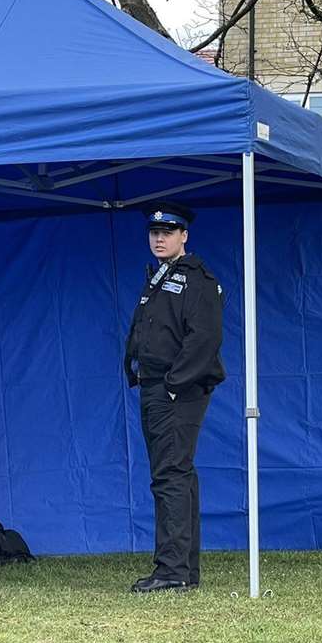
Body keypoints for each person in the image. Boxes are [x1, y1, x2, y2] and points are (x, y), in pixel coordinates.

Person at [123, 201, 225, 593]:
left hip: (176, 393)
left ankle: (172, 571)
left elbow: (204, 339)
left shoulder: (196, 280)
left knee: (170, 476)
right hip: (157, 387)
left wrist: (172, 384)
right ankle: (182, 568)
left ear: (184, 236)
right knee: (175, 475)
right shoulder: (160, 277)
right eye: (154, 233)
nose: (159, 238)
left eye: (167, 232)